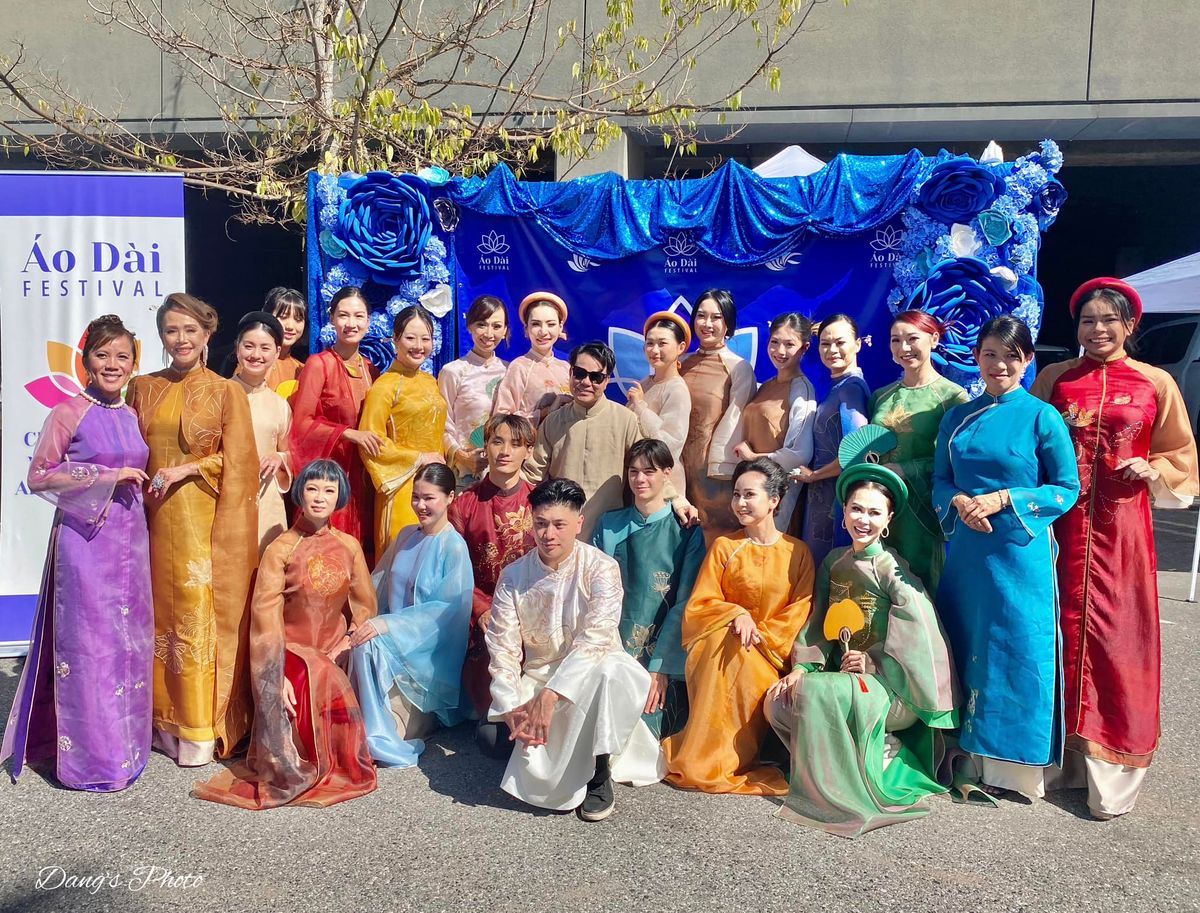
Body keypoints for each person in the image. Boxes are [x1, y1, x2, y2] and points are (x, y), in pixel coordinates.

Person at [1031, 278, 1199, 819]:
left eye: (1109, 320)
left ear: (1130, 326)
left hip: (1123, 534)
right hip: (1060, 529)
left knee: (1118, 639)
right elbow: (1025, 440)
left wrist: (1155, 469)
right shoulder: (1056, 378)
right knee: (1055, 634)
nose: (1097, 330)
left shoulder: (1156, 383)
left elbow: (1181, 454)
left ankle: (1110, 774)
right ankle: (1057, 763)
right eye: (1086, 321)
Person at [764, 464, 959, 837]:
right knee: (778, 702)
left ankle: (884, 750)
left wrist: (874, 661)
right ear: (844, 512)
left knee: (816, 693)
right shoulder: (834, 563)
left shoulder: (892, 570)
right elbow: (817, 624)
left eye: (873, 512)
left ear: (887, 520)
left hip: (891, 691)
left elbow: (923, 639)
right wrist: (802, 668)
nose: (863, 519)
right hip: (844, 682)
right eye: (856, 508)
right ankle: (845, 762)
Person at [2, 316, 153, 791]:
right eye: (103, 355)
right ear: (85, 360)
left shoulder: (129, 414)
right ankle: (92, 761)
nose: (113, 365)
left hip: (131, 541)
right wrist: (108, 477)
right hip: (86, 545)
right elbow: (41, 474)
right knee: (90, 647)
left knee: (127, 643)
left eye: (122, 356)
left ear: (134, 363)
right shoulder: (68, 412)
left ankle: (127, 749)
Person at [933, 315, 1080, 801]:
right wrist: (957, 503)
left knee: (1018, 647)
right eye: (990, 354)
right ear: (976, 357)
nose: (999, 364)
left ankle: (1015, 768)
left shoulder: (1043, 416)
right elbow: (940, 481)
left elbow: (1065, 488)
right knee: (966, 641)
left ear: (1027, 361)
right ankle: (963, 757)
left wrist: (1003, 500)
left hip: (1019, 553)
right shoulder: (956, 418)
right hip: (968, 555)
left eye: (1011, 356)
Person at [193, 459, 378, 808]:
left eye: (329, 490)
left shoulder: (349, 546)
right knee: (317, 672)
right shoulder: (280, 549)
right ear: (299, 493)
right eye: (312, 488)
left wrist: (346, 643)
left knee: (328, 667)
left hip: (335, 651)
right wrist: (275, 675)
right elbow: (265, 623)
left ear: (340, 496)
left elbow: (365, 608)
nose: (320, 497)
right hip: (290, 654)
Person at [127, 293, 259, 766]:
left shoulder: (227, 391)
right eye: (171, 331)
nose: (180, 339)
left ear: (207, 334)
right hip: (152, 522)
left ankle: (201, 729)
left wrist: (188, 469)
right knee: (157, 615)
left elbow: (242, 462)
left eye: (189, 330)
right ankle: (162, 722)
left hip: (204, 523)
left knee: (197, 614)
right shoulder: (142, 387)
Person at [485, 478, 665, 821]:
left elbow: (596, 638)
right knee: (490, 739)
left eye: (558, 525)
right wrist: (511, 707)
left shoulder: (601, 568)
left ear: (579, 523)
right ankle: (555, 752)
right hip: (539, 673)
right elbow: (503, 646)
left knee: (606, 674)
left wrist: (553, 694)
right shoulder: (513, 576)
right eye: (540, 524)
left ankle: (598, 773)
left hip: (597, 667)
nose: (548, 534)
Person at [663, 457, 814, 795]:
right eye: (736, 495)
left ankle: (727, 759)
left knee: (743, 660)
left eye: (749, 495)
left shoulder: (798, 553)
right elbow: (701, 603)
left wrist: (759, 636)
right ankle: (703, 757)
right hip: (719, 644)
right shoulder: (725, 547)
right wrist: (735, 614)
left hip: (769, 654)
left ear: (774, 500)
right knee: (726, 646)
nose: (740, 503)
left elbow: (800, 610)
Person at [348, 463, 473, 767]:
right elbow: (377, 584)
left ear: (450, 498)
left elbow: (447, 612)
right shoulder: (405, 536)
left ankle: (419, 715)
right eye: (416, 497)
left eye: (429, 498)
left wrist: (386, 624)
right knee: (362, 641)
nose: (420, 505)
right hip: (391, 645)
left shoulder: (453, 547)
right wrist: (360, 620)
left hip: (426, 657)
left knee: (379, 739)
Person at [591, 439, 705, 739]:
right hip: (610, 643)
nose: (639, 479)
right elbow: (592, 591)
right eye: (633, 472)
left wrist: (661, 666)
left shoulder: (686, 531)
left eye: (649, 471)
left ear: (667, 474)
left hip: (661, 648)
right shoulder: (609, 524)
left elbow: (685, 602)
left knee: (648, 733)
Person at [868, 310, 969, 590]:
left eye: (913, 339)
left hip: (922, 510)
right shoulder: (881, 396)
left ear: (934, 339)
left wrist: (904, 469)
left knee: (918, 587)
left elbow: (954, 462)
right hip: (880, 506)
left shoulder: (952, 397)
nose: (904, 348)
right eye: (895, 340)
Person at [447, 414, 537, 728]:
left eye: (515, 443)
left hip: (533, 615)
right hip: (483, 618)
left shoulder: (541, 502)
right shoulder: (463, 505)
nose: (505, 451)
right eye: (497, 441)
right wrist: (481, 609)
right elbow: (452, 573)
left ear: (528, 450)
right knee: (491, 726)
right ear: (485, 446)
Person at [289, 286, 380, 551]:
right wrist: (347, 433)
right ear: (331, 318)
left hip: (364, 478)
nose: (351, 323)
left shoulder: (371, 369)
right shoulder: (319, 364)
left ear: (368, 321)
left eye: (359, 316)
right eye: (343, 315)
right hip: (330, 478)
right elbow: (301, 424)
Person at [522, 341, 641, 539]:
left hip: (609, 535)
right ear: (570, 373)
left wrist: (677, 501)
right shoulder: (554, 421)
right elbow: (532, 475)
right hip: (560, 536)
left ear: (606, 381)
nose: (585, 382)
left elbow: (646, 470)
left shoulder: (625, 420)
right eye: (579, 373)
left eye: (596, 377)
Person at [358, 305, 447, 554]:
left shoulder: (430, 381)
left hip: (436, 485)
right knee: (401, 560)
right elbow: (371, 441)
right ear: (395, 339)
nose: (418, 345)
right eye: (410, 338)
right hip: (402, 489)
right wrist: (418, 458)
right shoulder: (385, 386)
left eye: (425, 339)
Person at [679, 289, 757, 545]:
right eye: (701, 316)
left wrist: (719, 470)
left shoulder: (738, 368)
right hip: (677, 468)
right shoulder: (681, 363)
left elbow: (737, 419)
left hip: (715, 477)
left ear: (728, 324)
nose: (707, 324)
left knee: (713, 542)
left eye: (716, 317)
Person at [793, 313, 870, 567]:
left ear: (857, 344)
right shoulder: (839, 386)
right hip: (823, 498)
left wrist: (815, 476)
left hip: (835, 502)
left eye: (840, 342)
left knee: (828, 573)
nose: (832, 350)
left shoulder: (851, 388)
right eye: (825, 344)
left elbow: (858, 449)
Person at [733, 312, 817, 533]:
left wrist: (753, 458)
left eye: (789, 344)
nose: (780, 351)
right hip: (750, 489)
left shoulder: (802, 389)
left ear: (805, 348)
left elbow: (799, 454)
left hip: (778, 493)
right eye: (775, 342)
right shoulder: (766, 386)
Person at [233, 311, 293, 553]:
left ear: (277, 352)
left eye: (265, 348)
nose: (256, 355)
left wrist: (279, 458)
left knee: (266, 570)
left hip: (267, 499)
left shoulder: (280, 405)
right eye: (249, 346)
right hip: (229, 498)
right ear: (237, 347)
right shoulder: (219, 394)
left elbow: (290, 452)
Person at [439, 295, 510, 490]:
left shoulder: (511, 372)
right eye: (481, 324)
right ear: (470, 326)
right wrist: (461, 456)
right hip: (463, 474)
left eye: (496, 326)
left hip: (502, 473)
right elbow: (443, 424)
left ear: (505, 331)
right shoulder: (453, 371)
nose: (489, 333)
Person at [625, 312, 692, 500]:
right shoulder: (645, 383)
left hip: (664, 486)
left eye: (662, 343)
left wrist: (640, 408)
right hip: (640, 481)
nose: (654, 350)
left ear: (680, 347)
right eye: (649, 343)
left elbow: (670, 445)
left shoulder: (677, 389)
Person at [492, 291, 570, 428]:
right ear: (526, 329)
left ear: (560, 327)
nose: (543, 331)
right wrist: (545, 412)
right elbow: (502, 419)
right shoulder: (519, 367)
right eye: (536, 324)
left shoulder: (567, 368)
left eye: (551, 324)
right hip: (533, 447)